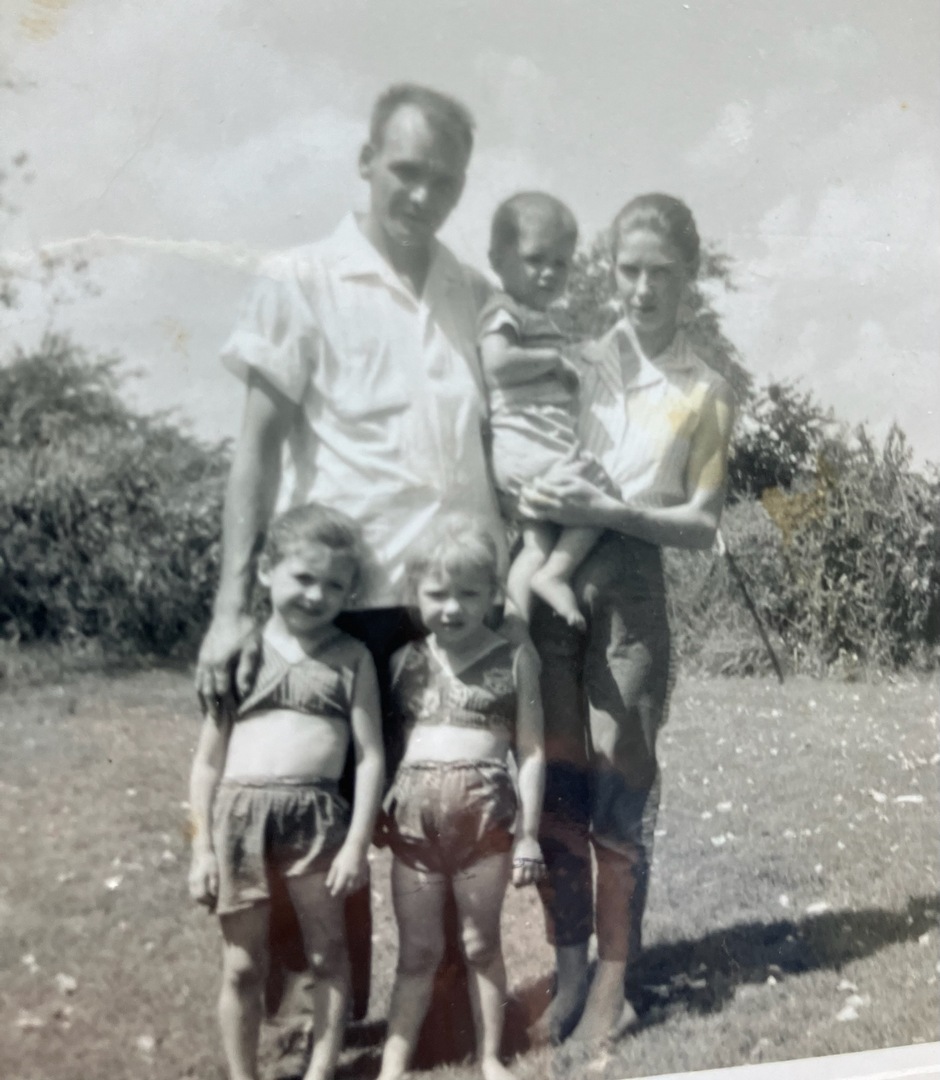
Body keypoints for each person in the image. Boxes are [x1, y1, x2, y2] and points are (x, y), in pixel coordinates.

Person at [194, 83, 504, 1021]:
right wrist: (232, 608)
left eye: (444, 180)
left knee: (438, 822)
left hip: (450, 610)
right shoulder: (301, 278)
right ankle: (318, 1029)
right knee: (309, 828)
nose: (422, 194)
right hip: (338, 607)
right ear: (366, 163)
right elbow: (254, 454)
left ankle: (435, 1015)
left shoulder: (474, 295)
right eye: (405, 171)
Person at [519, 193, 736, 1045]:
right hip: (549, 581)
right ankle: (569, 969)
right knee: (555, 781)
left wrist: (616, 511)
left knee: (621, 779)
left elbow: (703, 523)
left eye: (662, 272)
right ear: (610, 271)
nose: (643, 288)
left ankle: (615, 979)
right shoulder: (574, 365)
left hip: (631, 591)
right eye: (629, 270)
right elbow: (527, 464)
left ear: (690, 275)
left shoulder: (706, 390)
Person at [188, 504, 385, 1080]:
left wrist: (356, 845)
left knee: (328, 954)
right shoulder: (240, 656)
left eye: (334, 585)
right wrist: (201, 848)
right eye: (303, 577)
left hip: (317, 821)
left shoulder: (352, 657)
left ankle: (320, 1071)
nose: (316, 595)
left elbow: (370, 757)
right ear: (267, 571)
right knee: (242, 965)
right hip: (239, 820)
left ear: (349, 593)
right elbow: (205, 763)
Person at [376, 516, 545, 1080]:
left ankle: (490, 1057)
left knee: (480, 943)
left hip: (485, 823)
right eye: (438, 594)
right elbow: (389, 746)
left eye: (469, 594)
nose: (452, 608)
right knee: (417, 953)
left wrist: (528, 836)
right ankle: (392, 1066)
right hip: (414, 825)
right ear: (416, 594)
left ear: (494, 594)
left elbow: (532, 752)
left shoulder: (516, 659)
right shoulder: (405, 660)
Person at [479, 192, 614, 632]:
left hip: (527, 455)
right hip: (531, 450)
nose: (549, 272)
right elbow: (496, 363)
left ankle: (516, 631)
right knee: (601, 493)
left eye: (561, 263)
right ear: (497, 260)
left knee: (535, 544)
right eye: (535, 259)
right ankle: (556, 574)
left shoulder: (542, 320)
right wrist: (554, 362)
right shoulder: (505, 310)